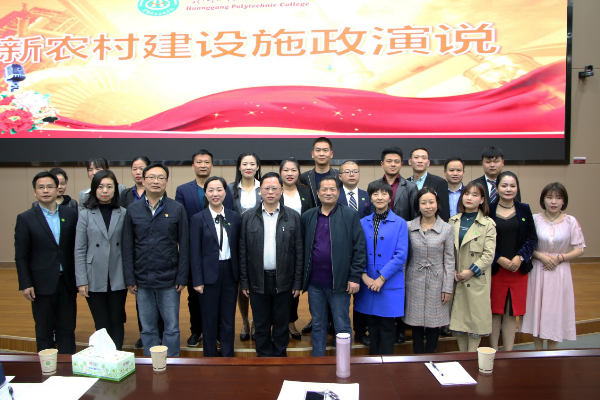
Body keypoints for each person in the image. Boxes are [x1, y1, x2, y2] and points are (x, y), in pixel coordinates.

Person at [123, 163, 189, 357]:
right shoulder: (133, 210)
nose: (156, 181)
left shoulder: (177, 208)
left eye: (161, 178)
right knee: (147, 328)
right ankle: (151, 364)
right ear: (143, 181)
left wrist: (182, 277)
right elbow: (127, 246)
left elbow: (185, 245)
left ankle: (172, 363)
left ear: (166, 182)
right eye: (151, 177)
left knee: (172, 327)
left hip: (169, 279)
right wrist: (129, 278)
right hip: (142, 279)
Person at [239, 172, 303, 357]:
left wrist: (297, 282)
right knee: (261, 323)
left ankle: (280, 356)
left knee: (281, 323)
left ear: (281, 190)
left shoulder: (293, 217)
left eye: (274, 188)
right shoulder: (248, 217)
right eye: (266, 188)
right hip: (257, 280)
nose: (270, 192)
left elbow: (299, 252)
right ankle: (263, 357)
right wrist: (244, 282)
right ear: (260, 191)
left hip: (284, 279)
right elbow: (243, 252)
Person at [301, 176, 366, 357]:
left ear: (338, 192)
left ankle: (343, 362)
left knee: (342, 324)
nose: (328, 193)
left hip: (340, 283)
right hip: (315, 283)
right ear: (317, 192)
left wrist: (355, 276)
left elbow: (359, 247)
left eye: (332, 189)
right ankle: (317, 361)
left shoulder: (350, 215)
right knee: (318, 324)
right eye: (324, 189)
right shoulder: (308, 216)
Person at [15, 171, 79, 353]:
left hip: (67, 281)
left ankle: (67, 365)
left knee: (67, 328)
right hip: (40, 284)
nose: (45, 191)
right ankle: (46, 366)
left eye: (50, 186)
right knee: (44, 330)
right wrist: (25, 283)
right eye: (41, 187)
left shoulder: (71, 214)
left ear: (57, 189)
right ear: (34, 192)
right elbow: (21, 255)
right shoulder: (25, 218)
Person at [176, 150, 233, 348]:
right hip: (198, 254)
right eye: (199, 162)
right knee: (198, 301)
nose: (203, 165)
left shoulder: (225, 195)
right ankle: (198, 333)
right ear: (193, 165)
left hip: (224, 260)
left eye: (206, 162)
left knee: (224, 307)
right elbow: (181, 221)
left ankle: (221, 339)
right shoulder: (184, 192)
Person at [520, 183, 585, 349]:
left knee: (555, 312)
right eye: (549, 197)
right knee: (536, 310)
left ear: (564, 201)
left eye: (558, 198)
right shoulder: (534, 219)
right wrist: (541, 256)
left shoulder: (571, 221)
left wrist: (560, 258)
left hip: (559, 271)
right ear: (543, 200)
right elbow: (526, 245)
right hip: (538, 269)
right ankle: (537, 352)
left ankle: (551, 353)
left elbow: (580, 249)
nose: (553, 201)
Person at [75, 170, 128, 350]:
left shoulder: (123, 213)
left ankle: (117, 356)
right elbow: (79, 249)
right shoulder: (85, 214)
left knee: (117, 319)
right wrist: (81, 280)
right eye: (100, 187)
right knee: (101, 321)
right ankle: (104, 358)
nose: (105, 191)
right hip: (94, 275)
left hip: (117, 273)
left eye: (109, 187)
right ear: (94, 189)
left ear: (115, 190)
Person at [354, 181, 408, 355]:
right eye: (375, 194)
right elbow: (356, 251)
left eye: (384, 194)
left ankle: (386, 364)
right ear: (370, 197)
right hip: (368, 282)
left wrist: (381, 278)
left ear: (390, 197)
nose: (380, 197)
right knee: (372, 325)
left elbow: (401, 255)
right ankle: (373, 364)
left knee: (387, 326)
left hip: (389, 282)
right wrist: (364, 276)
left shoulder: (400, 223)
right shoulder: (362, 222)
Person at [190, 176, 241, 357]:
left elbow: (239, 248)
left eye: (219, 190)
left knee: (228, 317)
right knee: (209, 318)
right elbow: (194, 252)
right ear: (205, 194)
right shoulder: (198, 219)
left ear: (225, 192)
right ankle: (210, 357)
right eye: (210, 190)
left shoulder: (234, 217)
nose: (215, 194)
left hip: (230, 273)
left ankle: (228, 355)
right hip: (208, 274)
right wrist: (197, 280)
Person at [370, 146, 417, 343]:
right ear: (382, 164)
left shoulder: (411, 187)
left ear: (402, 164)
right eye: (389, 161)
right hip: (379, 244)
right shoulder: (374, 186)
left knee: (398, 288)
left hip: (401, 240)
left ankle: (400, 328)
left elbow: (414, 215)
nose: (393, 164)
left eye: (397, 161)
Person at [489, 171, 537, 351]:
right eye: (504, 185)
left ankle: (508, 352)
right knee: (494, 312)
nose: (508, 189)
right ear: (497, 188)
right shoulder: (488, 209)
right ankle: (493, 351)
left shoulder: (524, 209)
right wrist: (498, 258)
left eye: (512, 186)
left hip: (517, 269)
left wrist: (520, 257)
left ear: (517, 188)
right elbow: (483, 241)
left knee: (511, 312)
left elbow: (532, 238)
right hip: (495, 269)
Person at [119, 156, 163, 349]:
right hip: (140, 258)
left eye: (141, 168)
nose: (138, 172)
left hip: (161, 259)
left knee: (162, 303)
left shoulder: (162, 198)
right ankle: (145, 334)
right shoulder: (126, 196)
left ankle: (160, 335)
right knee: (143, 304)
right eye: (134, 168)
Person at [403, 187, 454, 354]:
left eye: (431, 202)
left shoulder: (446, 228)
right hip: (414, 279)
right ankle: (417, 356)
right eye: (423, 202)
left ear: (437, 204)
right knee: (416, 322)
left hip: (437, 280)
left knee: (434, 322)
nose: (428, 206)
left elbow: (449, 260)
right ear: (418, 206)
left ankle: (432, 355)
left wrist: (448, 287)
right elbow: (404, 258)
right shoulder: (408, 226)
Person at [449, 182, 497, 352]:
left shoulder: (488, 224)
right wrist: (452, 270)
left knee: (475, 325)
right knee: (459, 324)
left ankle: (471, 358)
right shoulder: (453, 221)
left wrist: (470, 272)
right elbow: (447, 251)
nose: (469, 198)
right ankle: (463, 358)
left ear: (482, 199)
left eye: (475, 195)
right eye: (467, 194)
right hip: (456, 279)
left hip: (475, 279)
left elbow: (489, 255)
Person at [228, 152, 262, 341]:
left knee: (257, 284)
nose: (248, 167)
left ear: (257, 167)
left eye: (252, 164)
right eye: (244, 164)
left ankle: (257, 321)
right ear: (239, 167)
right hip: (237, 243)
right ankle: (244, 321)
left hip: (261, 242)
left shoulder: (264, 187)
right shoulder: (230, 189)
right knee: (242, 284)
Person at [279, 157, 314, 340]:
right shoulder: (275, 190)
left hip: (300, 245)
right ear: (280, 173)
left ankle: (291, 321)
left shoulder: (306, 192)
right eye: (286, 170)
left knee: (295, 285)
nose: (290, 173)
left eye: (293, 170)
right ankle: (277, 322)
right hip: (277, 245)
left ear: (299, 172)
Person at [337, 159, 371, 346]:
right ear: (340, 176)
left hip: (362, 252)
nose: (351, 174)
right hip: (339, 252)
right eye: (347, 171)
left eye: (355, 171)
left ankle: (360, 330)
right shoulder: (334, 195)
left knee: (361, 295)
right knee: (338, 296)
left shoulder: (367, 196)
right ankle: (336, 331)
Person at [408, 148, 450, 222]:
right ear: (410, 161)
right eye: (416, 157)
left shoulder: (440, 182)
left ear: (428, 162)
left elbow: (444, 211)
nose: (420, 161)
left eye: (423, 158)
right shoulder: (405, 183)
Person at [299, 137, 340, 207]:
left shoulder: (339, 176)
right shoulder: (304, 178)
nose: (321, 154)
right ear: (312, 154)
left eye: (325, 150)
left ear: (331, 154)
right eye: (318, 150)